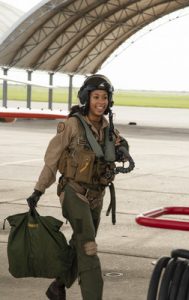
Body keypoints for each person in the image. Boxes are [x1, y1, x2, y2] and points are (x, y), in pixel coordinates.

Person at [26, 74, 133, 300]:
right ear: (87, 98)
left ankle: (58, 285)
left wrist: (123, 149)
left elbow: (120, 144)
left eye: (104, 97)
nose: (100, 102)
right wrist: (38, 190)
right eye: (96, 97)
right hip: (73, 192)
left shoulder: (107, 127)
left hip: (97, 195)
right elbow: (52, 160)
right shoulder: (73, 125)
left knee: (79, 241)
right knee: (89, 247)